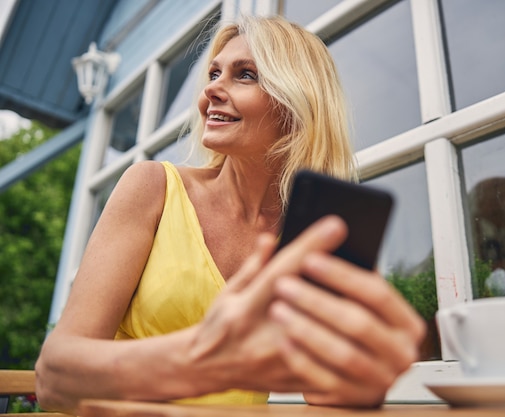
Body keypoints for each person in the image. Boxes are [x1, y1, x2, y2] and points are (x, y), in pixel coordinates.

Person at [35, 15, 426, 414]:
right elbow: (54, 376)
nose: (211, 90)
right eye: (214, 73)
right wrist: (203, 362)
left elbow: (328, 398)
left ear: (296, 102)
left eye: (245, 75)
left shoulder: (315, 237)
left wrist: (363, 366)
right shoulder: (152, 187)